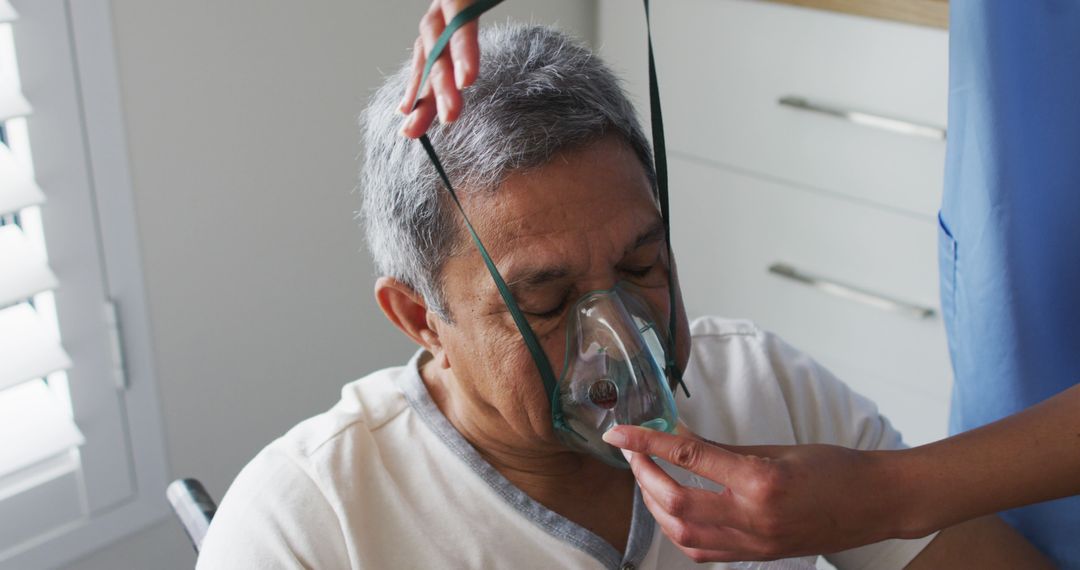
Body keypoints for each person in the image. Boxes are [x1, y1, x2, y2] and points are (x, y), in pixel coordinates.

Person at [197, 23, 1051, 569]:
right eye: (546, 302)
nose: (622, 340)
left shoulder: (764, 389)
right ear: (422, 318)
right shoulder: (309, 524)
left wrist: (880, 498)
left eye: (643, 266)